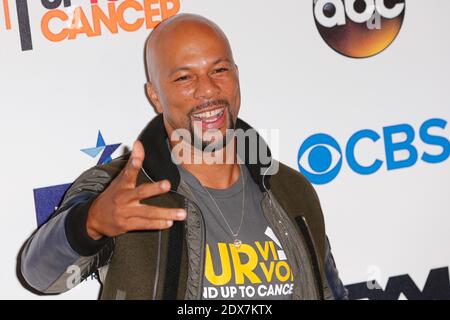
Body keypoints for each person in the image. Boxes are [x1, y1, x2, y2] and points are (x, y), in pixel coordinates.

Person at [20, 13, 348, 300]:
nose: (207, 90)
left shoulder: (293, 189)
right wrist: (89, 223)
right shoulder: (120, 188)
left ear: (236, 75)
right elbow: (39, 275)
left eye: (219, 70)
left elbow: (329, 292)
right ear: (155, 96)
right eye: (184, 77)